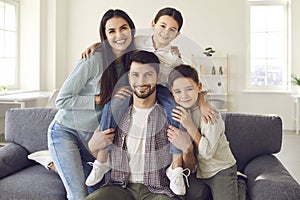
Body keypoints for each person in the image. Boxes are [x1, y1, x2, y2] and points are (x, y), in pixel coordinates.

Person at [84, 8, 217, 194]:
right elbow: (117, 43)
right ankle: (102, 160)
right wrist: (98, 45)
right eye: (162, 25)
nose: (165, 32)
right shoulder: (138, 41)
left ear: (177, 34)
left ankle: (176, 168)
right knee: (111, 104)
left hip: (160, 90)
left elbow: (190, 82)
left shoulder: (175, 56)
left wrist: (202, 103)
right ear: (153, 24)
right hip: (136, 86)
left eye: (172, 29)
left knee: (176, 109)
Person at [47, 9, 136, 200]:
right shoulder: (94, 59)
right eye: (111, 31)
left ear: (132, 30)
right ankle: (57, 161)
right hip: (66, 131)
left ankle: (58, 165)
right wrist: (100, 99)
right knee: (78, 195)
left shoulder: (133, 61)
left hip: (92, 138)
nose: (119, 35)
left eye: (123, 28)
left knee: (95, 194)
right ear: (105, 35)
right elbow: (61, 99)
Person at [86, 50, 192, 200]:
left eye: (148, 75)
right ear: (129, 77)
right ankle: (100, 165)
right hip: (120, 187)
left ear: (158, 77)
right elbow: (99, 144)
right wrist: (93, 148)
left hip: (158, 191)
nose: (141, 82)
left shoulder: (170, 113)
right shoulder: (116, 112)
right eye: (135, 75)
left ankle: (176, 173)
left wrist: (187, 149)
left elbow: (192, 166)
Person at [167, 64, 240, 200]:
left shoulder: (210, 114)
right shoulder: (179, 110)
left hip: (221, 169)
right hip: (199, 172)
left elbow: (207, 153)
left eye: (189, 89)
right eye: (178, 92)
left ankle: (239, 183)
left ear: (198, 88)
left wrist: (189, 125)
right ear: (172, 92)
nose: (184, 96)